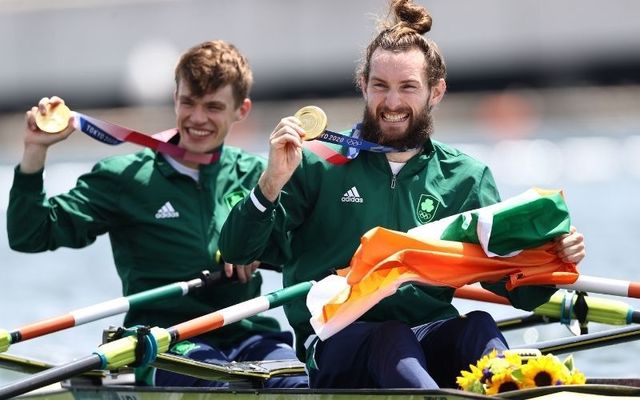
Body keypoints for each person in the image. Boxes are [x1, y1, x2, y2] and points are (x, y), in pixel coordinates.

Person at [218, 0, 586, 390]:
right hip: (336, 340)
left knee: (477, 324)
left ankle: (522, 391)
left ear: (436, 91)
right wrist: (271, 182)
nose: (392, 103)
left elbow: (520, 293)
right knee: (391, 335)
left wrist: (554, 257)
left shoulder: (466, 177)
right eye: (380, 86)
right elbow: (239, 251)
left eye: (407, 87)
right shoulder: (315, 164)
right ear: (364, 86)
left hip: (426, 336)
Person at [7, 40, 307, 388]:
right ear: (175, 98)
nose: (197, 118)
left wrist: (260, 249)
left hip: (248, 332)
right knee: (218, 386)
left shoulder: (263, 173)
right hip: (164, 340)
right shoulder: (125, 177)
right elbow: (30, 234)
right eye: (188, 102)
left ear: (241, 110)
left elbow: (303, 250)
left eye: (212, 107)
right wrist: (35, 151)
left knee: (297, 387)